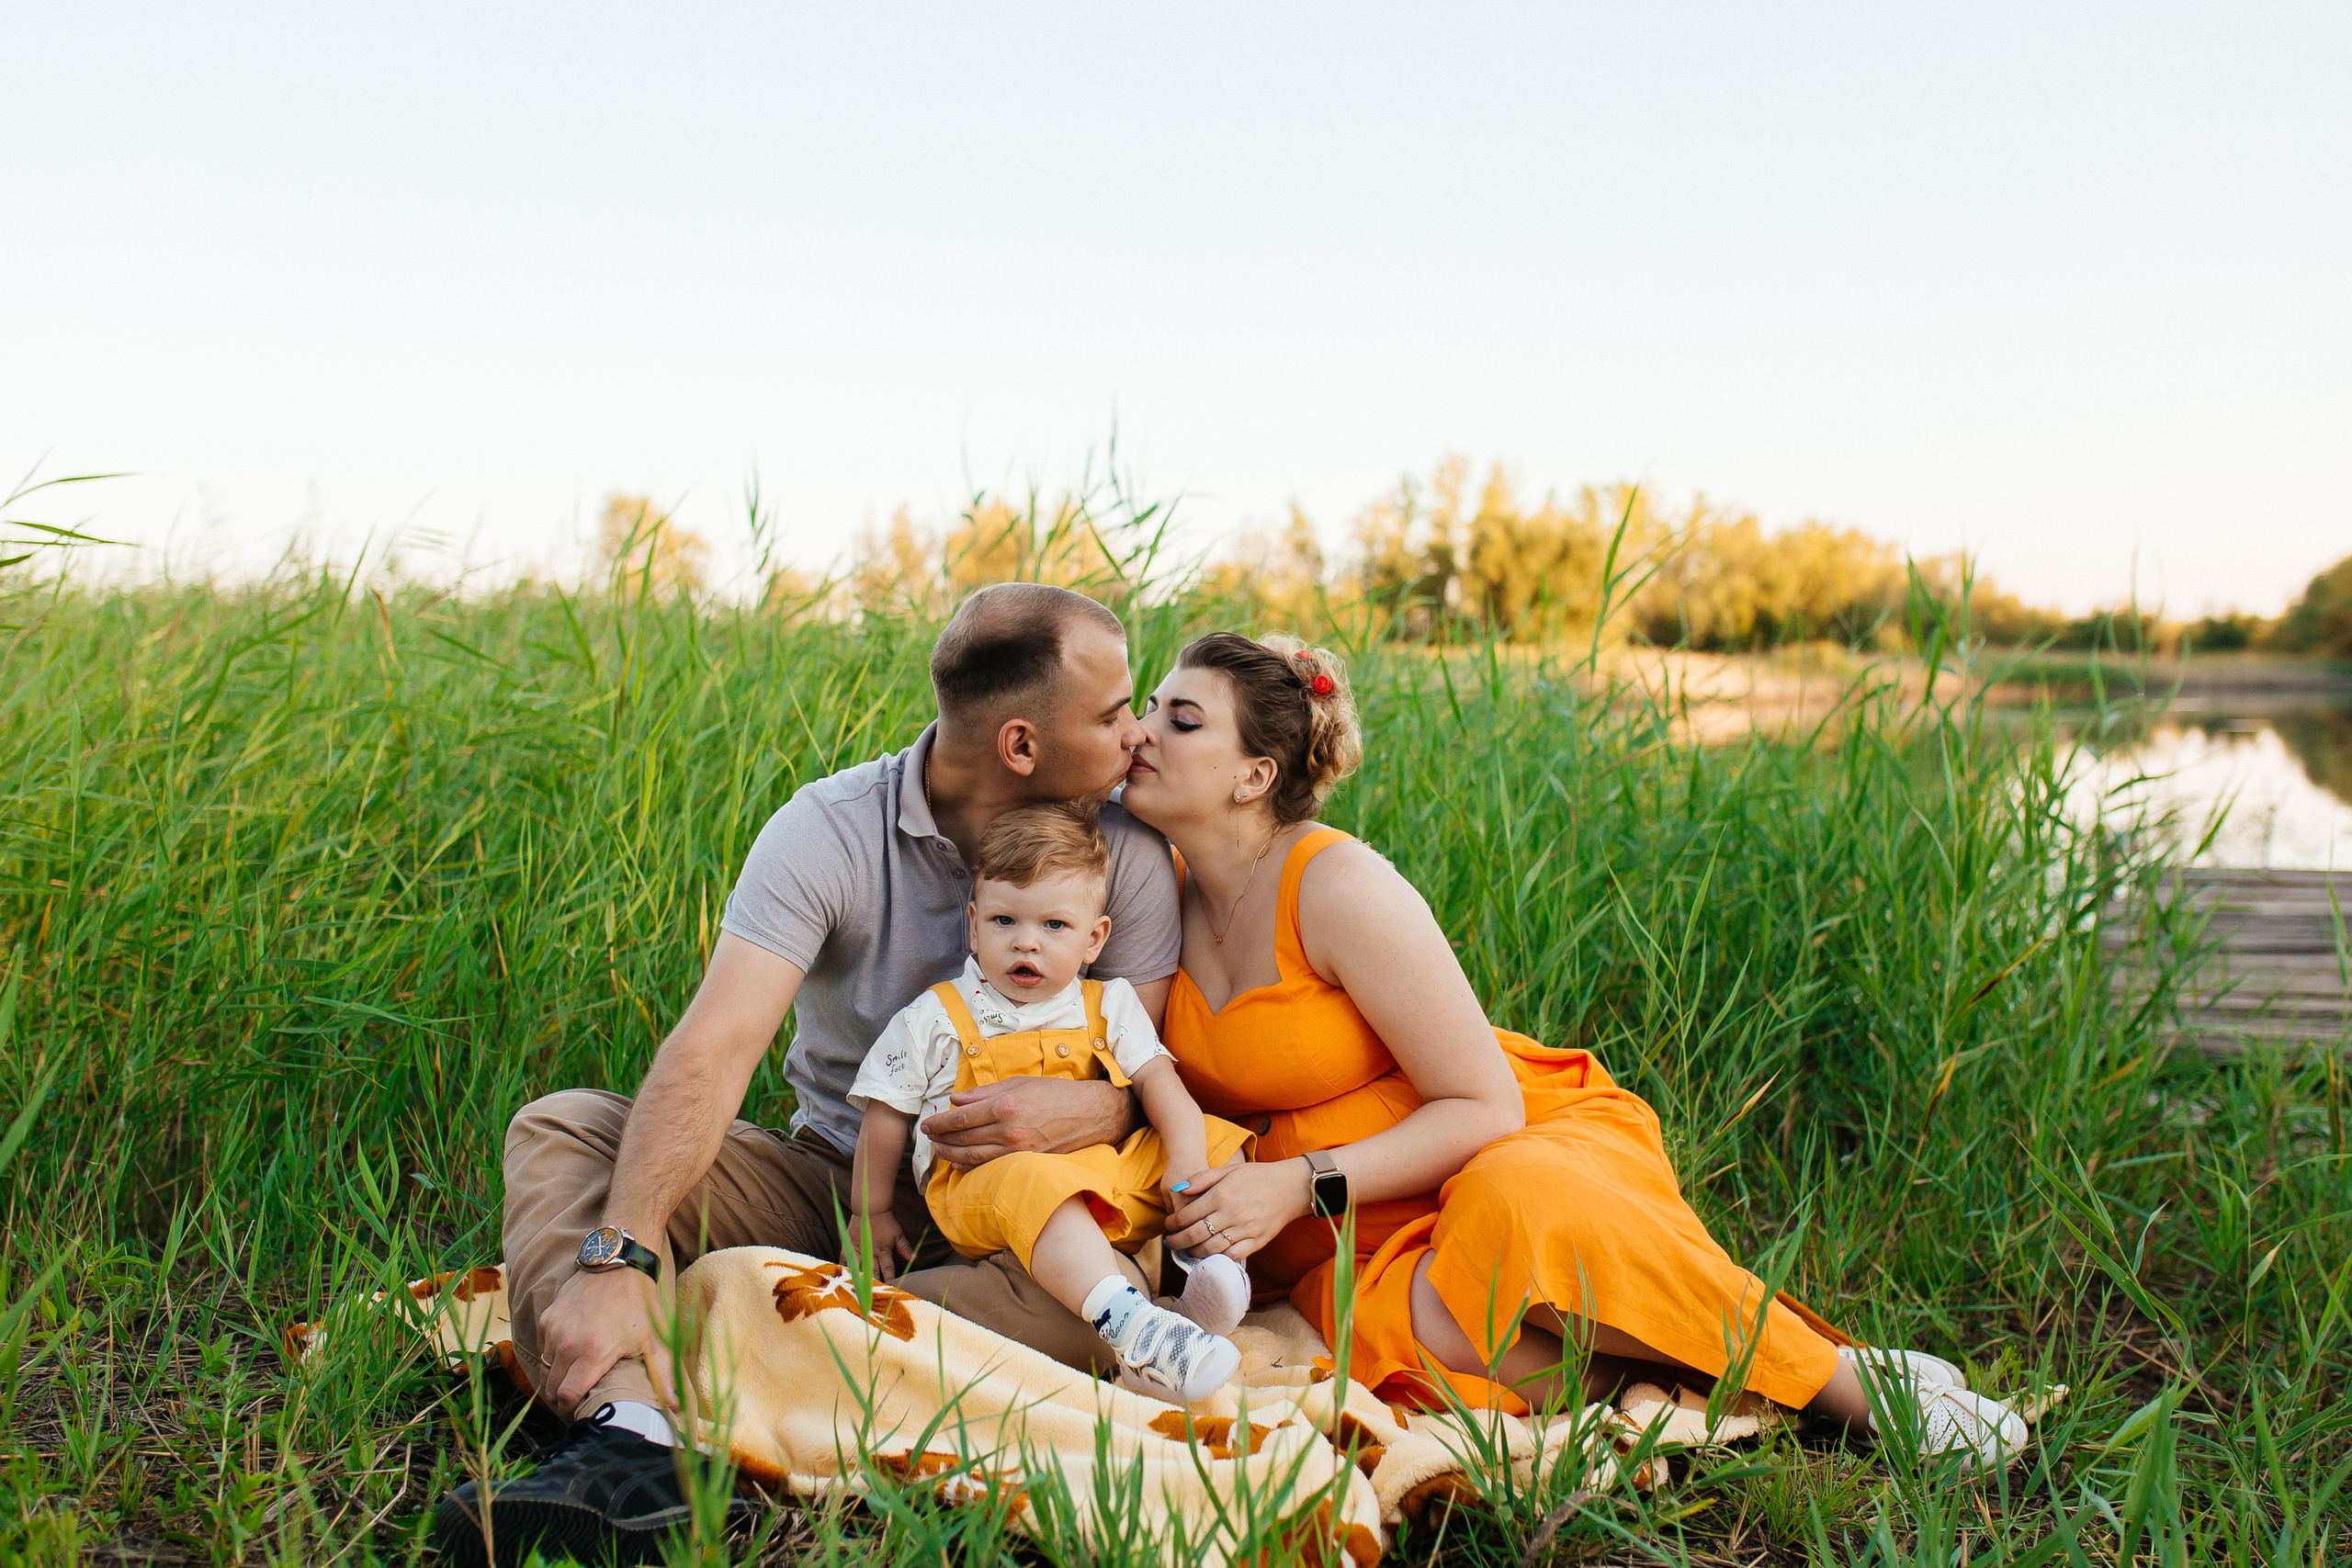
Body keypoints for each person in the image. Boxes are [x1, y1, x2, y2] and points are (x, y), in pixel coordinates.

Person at [1117, 630, 2029, 1468]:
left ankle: (1847, 1388)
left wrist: (1296, 1182)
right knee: (1428, 1327)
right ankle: (1741, 1370)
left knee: (1517, 1213)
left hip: (1491, 1139)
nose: (1142, 732)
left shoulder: (1340, 885)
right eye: (1149, 707)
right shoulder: (1161, 887)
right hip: (1363, 1212)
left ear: (1253, 775)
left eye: (1180, 719)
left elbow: (1484, 1106)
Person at [435, 584, 1185, 1564]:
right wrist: (621, 1247)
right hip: (836, 1182)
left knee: (1097, 1314)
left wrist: (1086, 1105)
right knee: (565, 1129)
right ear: (1019, 745)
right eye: (1110, 712)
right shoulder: (830, 829)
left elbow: (1144, 1067)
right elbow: (715, 1047)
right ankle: (637, 1437)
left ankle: (740, 1348)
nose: (1135, 735)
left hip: (1031, 1217)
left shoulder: (1123, 853)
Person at [846, 800, 1255, 1402]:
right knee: (1037, 1177)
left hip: (1096, 1170)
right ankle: (1133, 1327)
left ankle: (1198, 1289)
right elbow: (886, 1115)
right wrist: (870, 1210)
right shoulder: (939, 1015)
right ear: (974, 922)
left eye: (1054, 927)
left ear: (1095, 938)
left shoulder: (1108, 1004)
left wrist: (1187, 1156)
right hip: (986, 1183)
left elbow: (1160, 1084)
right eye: (1005, 921)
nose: (1026, 945)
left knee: (1221, 1139)